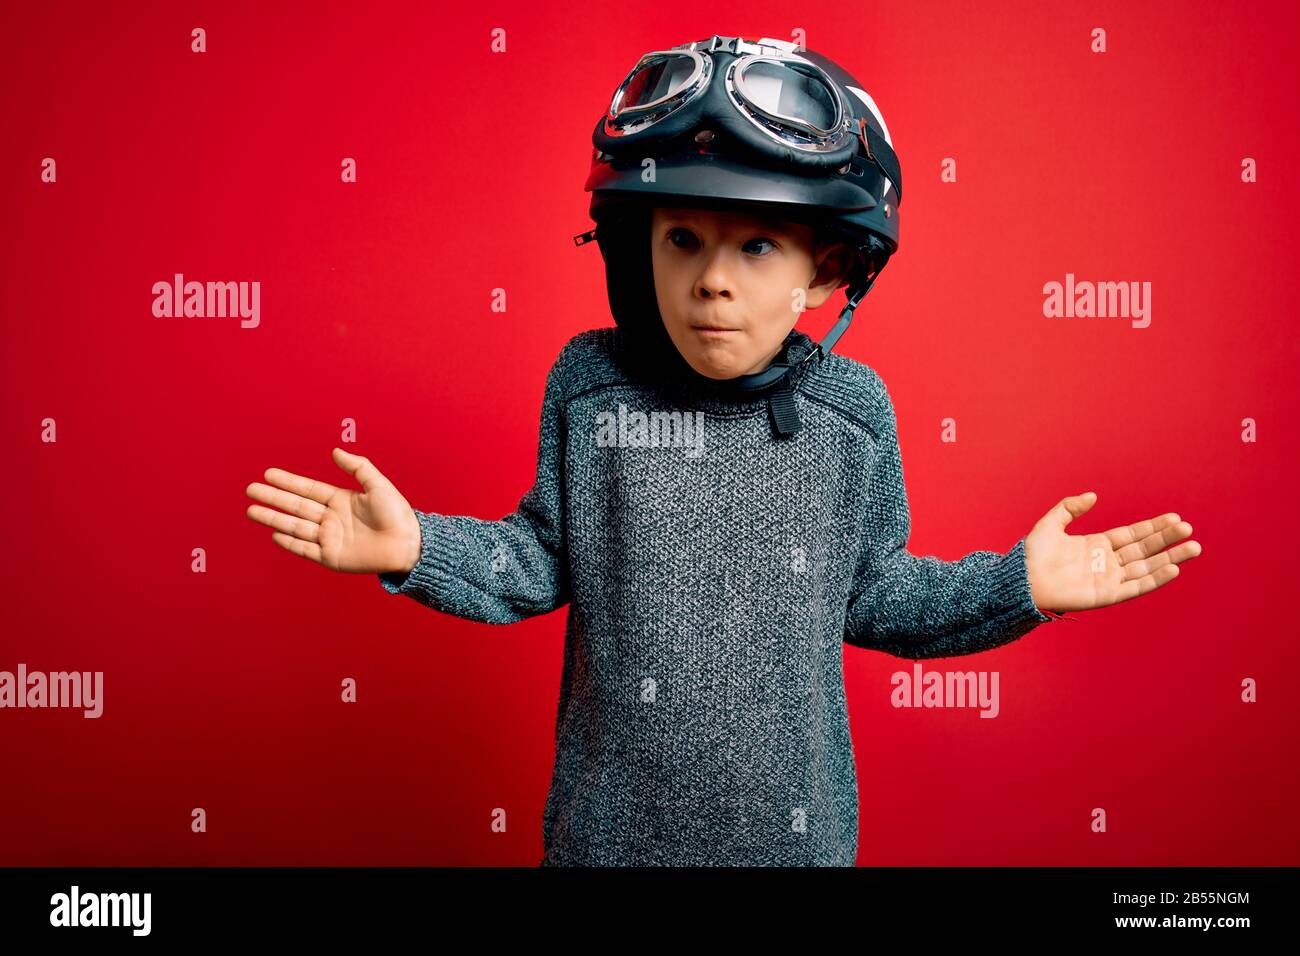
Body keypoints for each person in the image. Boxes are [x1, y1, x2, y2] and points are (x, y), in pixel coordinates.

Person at [244, 35, 1202, 866]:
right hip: (603, 846)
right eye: (684, 241)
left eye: (755, 249)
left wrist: (1017, 586)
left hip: (798, 845)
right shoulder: (590, 388)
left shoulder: (853, 416)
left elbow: (875, 596)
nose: (710, 282)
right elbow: (538, 561)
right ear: (635, 250)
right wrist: (418, 549)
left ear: (825, 272)